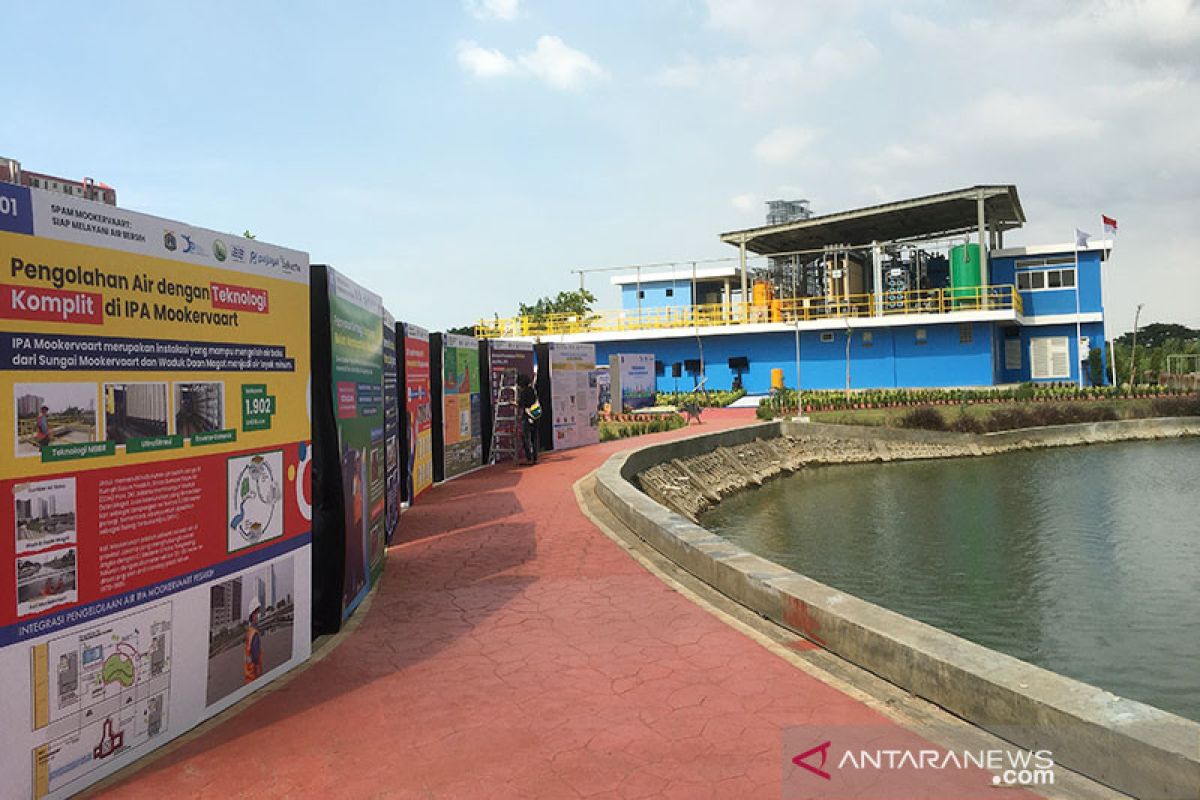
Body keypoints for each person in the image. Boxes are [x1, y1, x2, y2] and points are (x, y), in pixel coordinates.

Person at [516, 374, 540, 465]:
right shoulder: (532, 390)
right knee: (534, 437)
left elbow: (521, 404)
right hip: (535, 416)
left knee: (526, 437)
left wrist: (514, 403)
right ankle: (535, 458)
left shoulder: (523, 392)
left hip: (527, 417)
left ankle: (529, 458)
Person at [243, 602, 264, 683]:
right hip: (254, 675)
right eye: (257, 612)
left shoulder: (249, 631)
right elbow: (255, 657)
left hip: (248, 675)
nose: (259, 615)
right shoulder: (254, 634)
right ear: (253, 615)